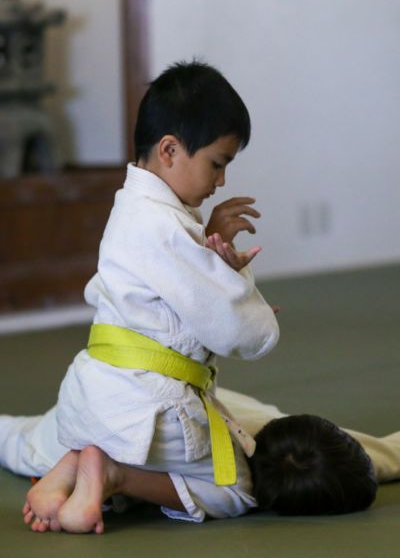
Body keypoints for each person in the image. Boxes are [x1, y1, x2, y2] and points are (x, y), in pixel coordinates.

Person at [0, 60, 281, 529]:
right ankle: (113, 475)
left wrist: (208, 250)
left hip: (87, 399)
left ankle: (70, 465)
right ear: (169, 149)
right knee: (238, 487)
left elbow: (183, 295)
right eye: (218, 163)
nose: (221, 182)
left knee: (26, 441)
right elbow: (249, 336)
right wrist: (232, 271)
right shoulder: (167, 229)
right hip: (148, 412)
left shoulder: (133, 209)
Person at [4, 387, 400, 534]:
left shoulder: (280, 430)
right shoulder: (239, 492)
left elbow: (381, 456)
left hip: (128, 385)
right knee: (15, 441)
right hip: (84, 438)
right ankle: (94, 475)